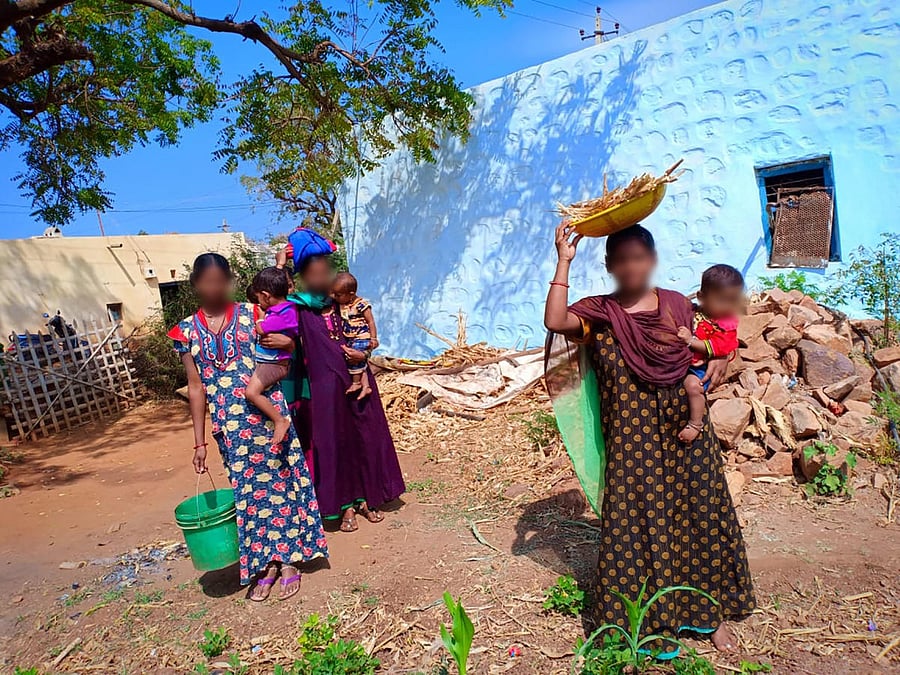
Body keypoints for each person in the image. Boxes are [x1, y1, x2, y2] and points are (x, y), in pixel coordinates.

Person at [544, 223, 755, 654]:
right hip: (630, 437)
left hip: (685, 432)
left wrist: (723, 359)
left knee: (699, 515)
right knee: (636, 524)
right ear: (609, 266)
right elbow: (554, 320)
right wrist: (564, 260)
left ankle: (706, 615)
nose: (631, 267)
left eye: (639, 257)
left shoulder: (678, 306)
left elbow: (721, 335)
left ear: (652, 260)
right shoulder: (598, 312)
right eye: (621, 259)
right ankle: (651, 623)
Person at [169, 253, 328, 602]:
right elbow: (196, 386)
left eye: (219, 281)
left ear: (229, 281)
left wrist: (289, 343)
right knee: (249, 495)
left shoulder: (253, 312)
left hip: (266, 416)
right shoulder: (184, 330)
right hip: (229, 425)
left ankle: (289, 560)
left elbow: (290, 344)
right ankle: (266, 563)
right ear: (195, 284)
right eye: (206, 281)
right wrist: (199, 443)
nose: (213, 288)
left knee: (280, 484)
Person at [261, 231, 405, 533]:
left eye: (324, 265)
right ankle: (346, 505)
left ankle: (369, 497)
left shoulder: (344, 299)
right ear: (302, 274)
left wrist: (364, 350)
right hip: (322, 388)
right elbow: (278, 322)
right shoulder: (297, 307)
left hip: (357, 378)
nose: (320, 272)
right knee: (334, 444)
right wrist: (280, 262)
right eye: (313, 267)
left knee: (364, 438)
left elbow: (367, 334)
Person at [676, 264, 743, 443]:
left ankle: (695, 423)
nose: (728, 306)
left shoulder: (727, 324)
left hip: (702, 367)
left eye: (734, 300)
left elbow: (721, 346)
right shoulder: (692, 311)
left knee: (693, 386)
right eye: (722, 300)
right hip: (686, 361)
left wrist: (691, 341)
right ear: (701, 297)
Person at [245, 267, 298, 445]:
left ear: (266, 296)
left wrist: (260, 317)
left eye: (259, 297)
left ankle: (279, 420)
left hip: (275, 364)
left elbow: (261, 328)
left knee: (251, 393)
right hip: (271, 362)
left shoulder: (283, 313)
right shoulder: (285, 309)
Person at [331, 271, 379, 399]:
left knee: (353, 360)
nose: (335, 297)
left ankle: (356, 383)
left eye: (338, 295)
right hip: (352, 338)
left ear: (351, 294)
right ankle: (366, 386)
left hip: (362, 336)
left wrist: (373, 338)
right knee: (360, 365)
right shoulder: (344, 303)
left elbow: (371, 321)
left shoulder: (361, 304)